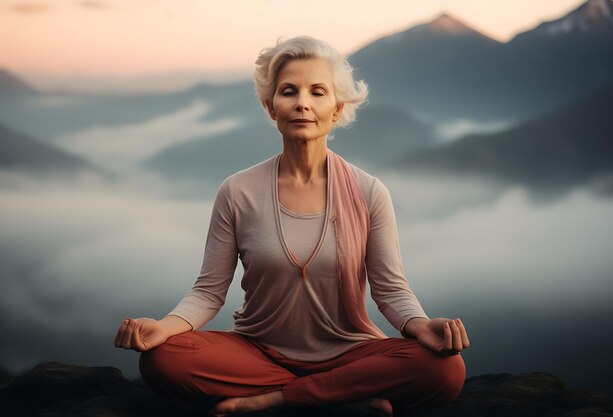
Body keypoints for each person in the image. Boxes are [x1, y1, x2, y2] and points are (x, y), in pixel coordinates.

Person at [114, 36, 469, 417]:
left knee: (446, 368)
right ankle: (341, 397)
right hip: (256, 351)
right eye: (289, 91)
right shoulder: (237, 191)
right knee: (163, 360)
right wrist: (165, 328)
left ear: (337, 109)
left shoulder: (369, 192)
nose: (302, 102)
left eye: (317, 92)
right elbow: (208, 291)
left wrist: (420, 326)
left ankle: (278, 400)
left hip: (348, 353)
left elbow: (390, 289)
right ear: (271, 107)